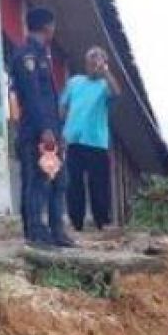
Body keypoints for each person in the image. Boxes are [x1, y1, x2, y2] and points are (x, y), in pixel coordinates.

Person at [10, 8, 74, 248]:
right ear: (48, 27)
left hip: (51, 132)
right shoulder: (27, 56)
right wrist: (45, 129)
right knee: (38, 181)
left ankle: (58, 231)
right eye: (53, 27)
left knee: (58, 180)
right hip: (38, 133)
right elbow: (32, 96)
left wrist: (58, 131)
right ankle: (36, 232)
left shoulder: (42, 56)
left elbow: (48, 99)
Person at [61, 46, 121, 231]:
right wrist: (63, 129)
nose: (93, 65)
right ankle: (76, 222)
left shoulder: (105, 85)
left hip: (96, 143)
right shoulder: (74, 82)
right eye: (91, 61)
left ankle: (102, 222)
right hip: (74, 141)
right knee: (73, 184)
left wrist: (106, 72)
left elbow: (117, 92)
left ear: (104, 63)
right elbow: (63, 106)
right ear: (85, 63)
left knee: (98, 185)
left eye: (98, 61)